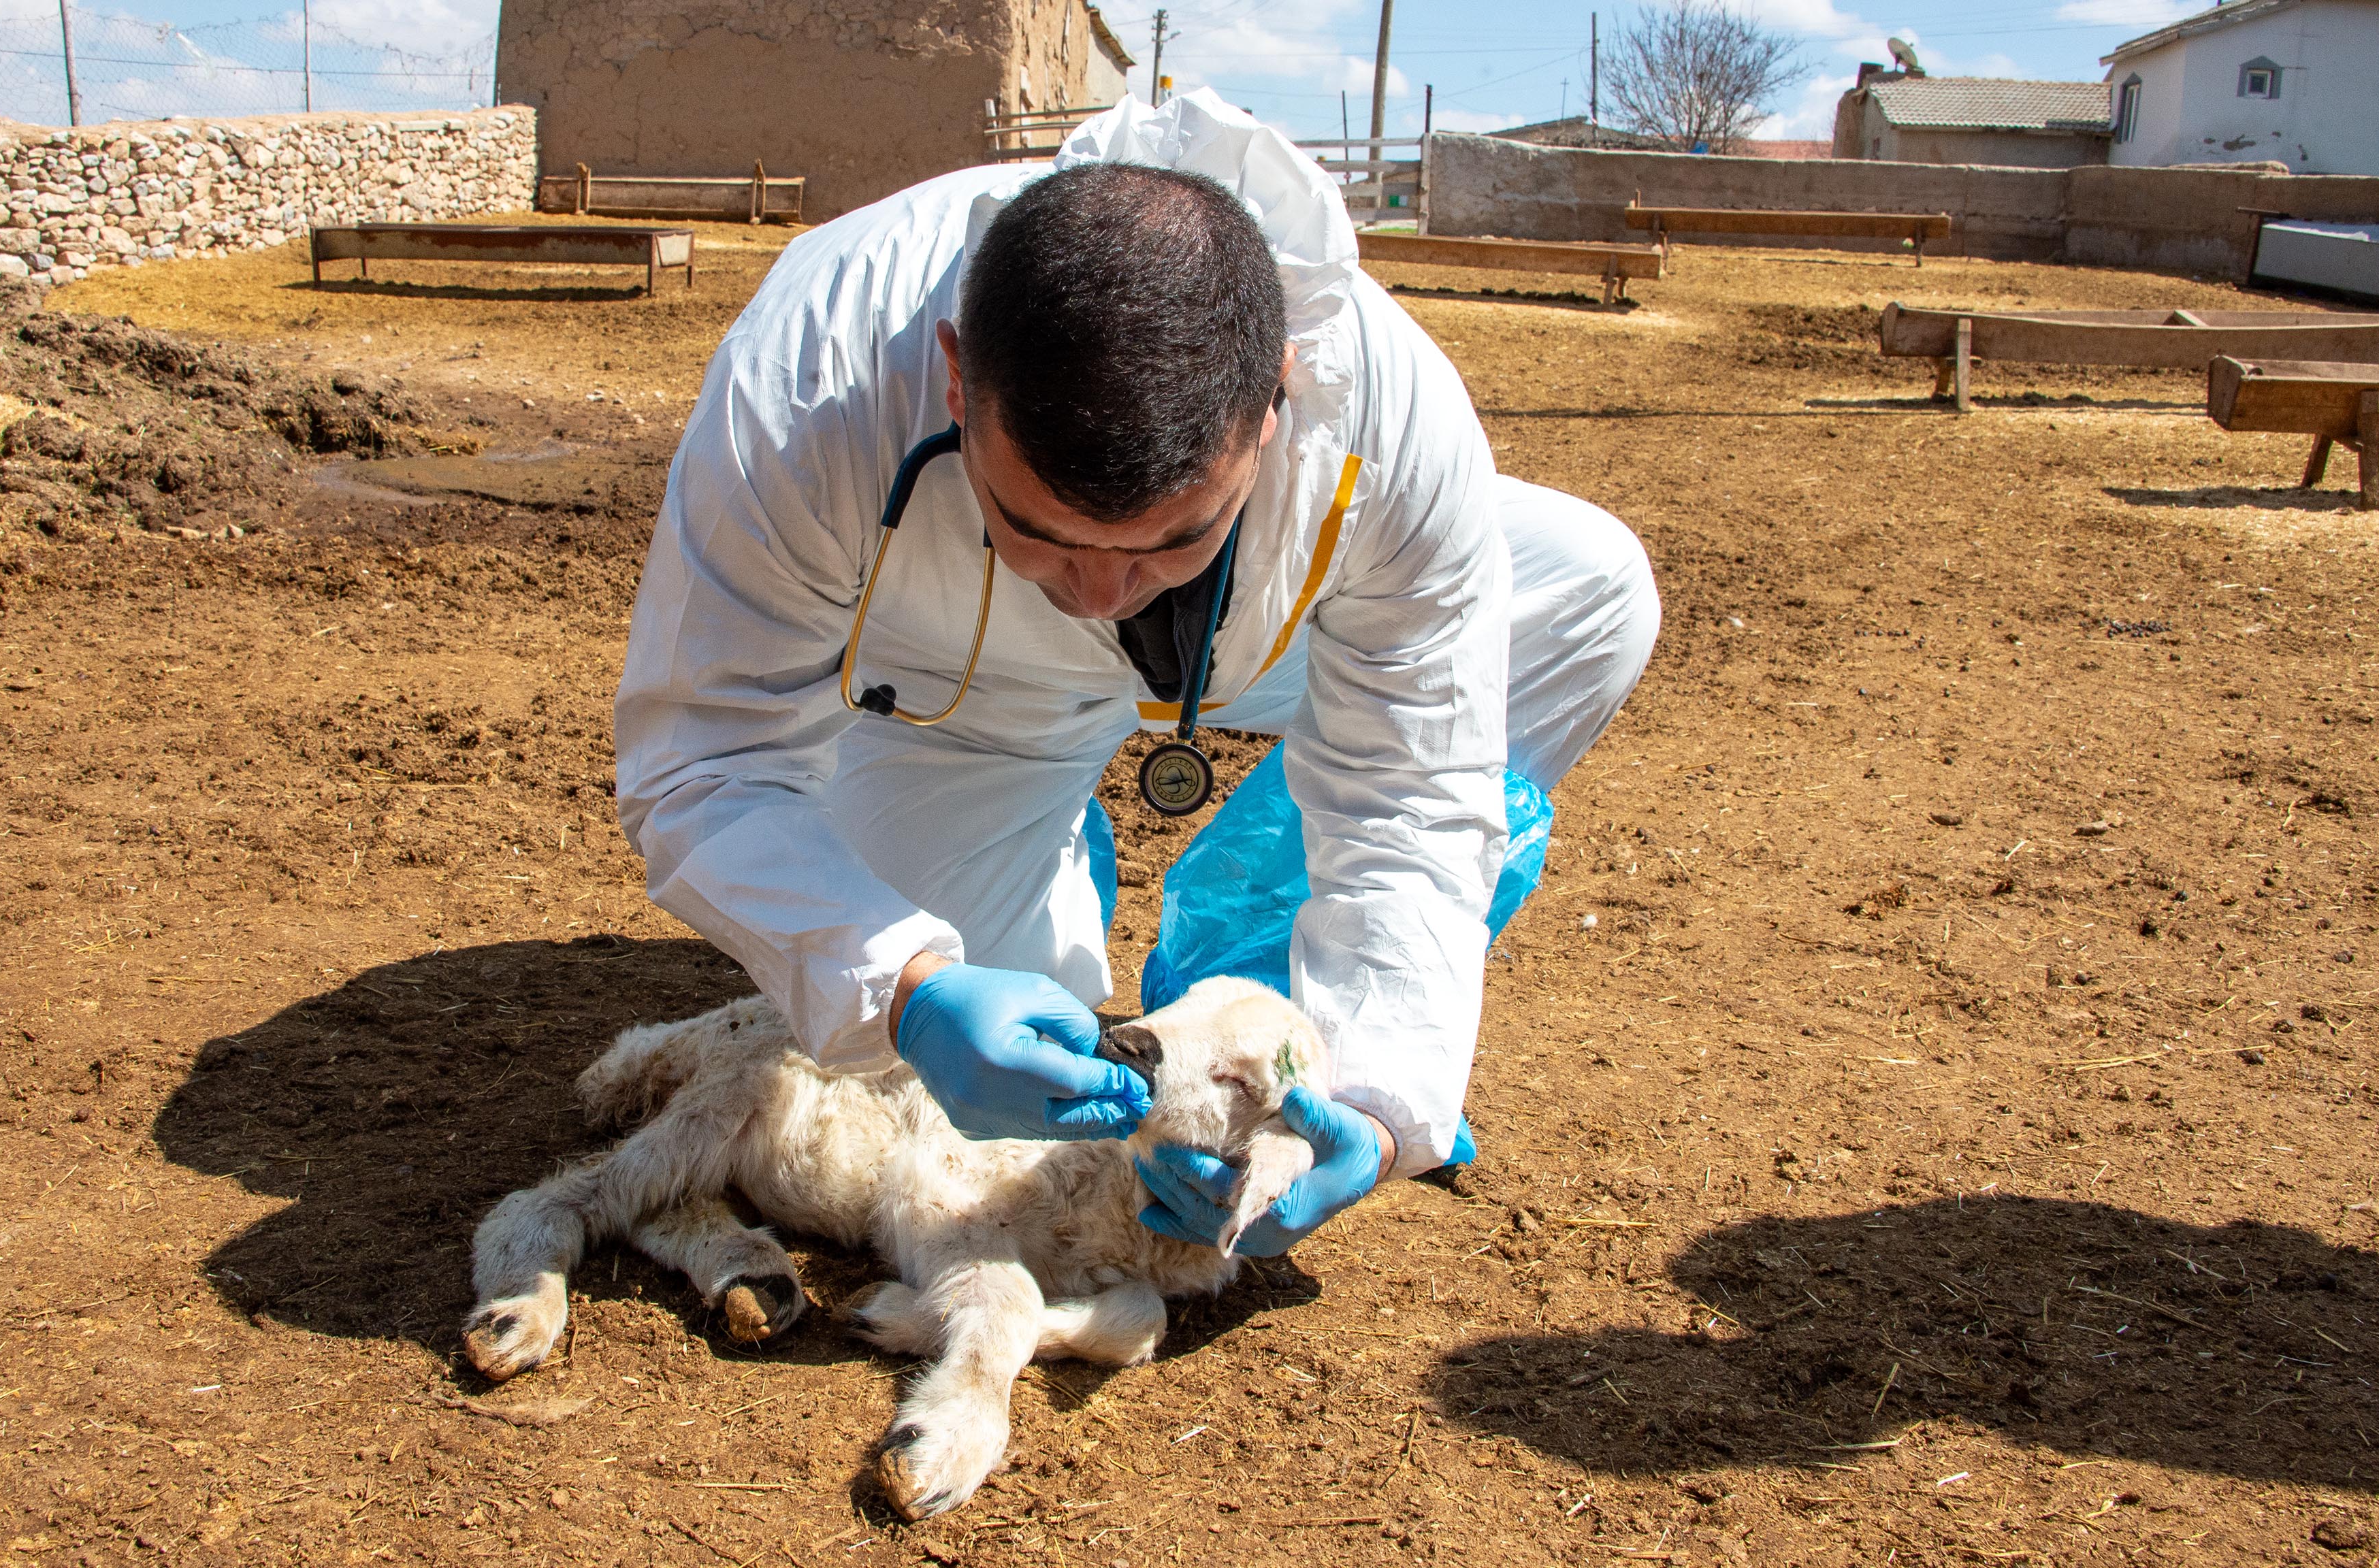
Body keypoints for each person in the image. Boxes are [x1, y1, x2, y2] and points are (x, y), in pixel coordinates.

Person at [613, 92, 1657, 1258]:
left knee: (1593, 587)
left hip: (1272, 643)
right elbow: (708, 751)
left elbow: (1412, 789)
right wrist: (906, 984)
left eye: (1168, 539)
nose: (1105, 594)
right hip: (965, 703)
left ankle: (1242, 993)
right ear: (959, 382)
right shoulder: (813, 380)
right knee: (956, 1058)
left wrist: (1370, 1091)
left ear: (1276, 406)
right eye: (1037, 526)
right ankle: (1048, 844)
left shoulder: (1399, 418)